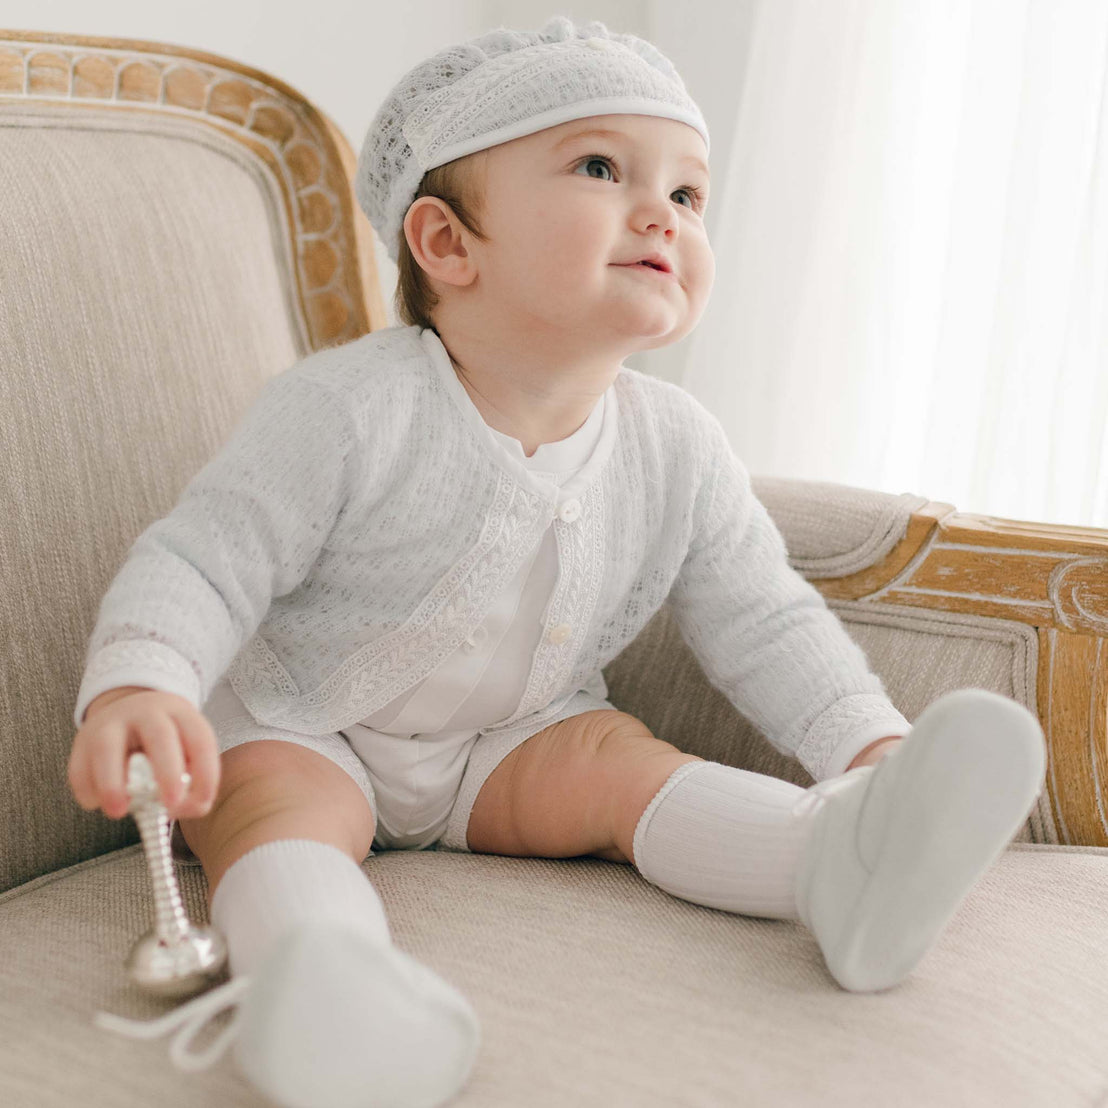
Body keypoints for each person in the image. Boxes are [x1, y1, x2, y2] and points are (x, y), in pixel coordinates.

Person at [66, 15, 1047, 1108]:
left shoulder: (677, 443)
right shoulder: (347, 408)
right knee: (272, 805)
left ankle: (840, 860)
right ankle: (320, 978)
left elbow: (762, 617)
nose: (661, 215)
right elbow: (206, 558)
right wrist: (144, 680)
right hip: (307, 717)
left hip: (512, 739)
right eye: (599, 166)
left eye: (687, 194)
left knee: (613, 761)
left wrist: (868, 745)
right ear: (447, 245)